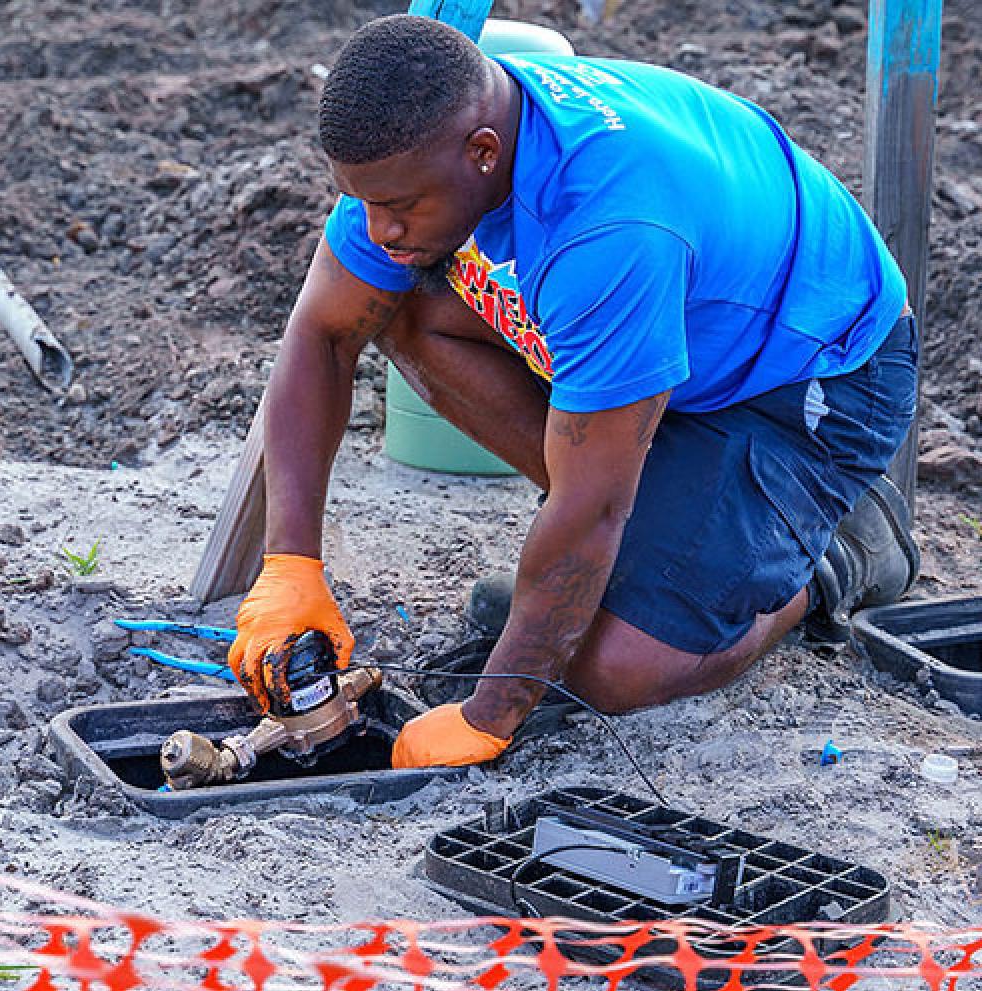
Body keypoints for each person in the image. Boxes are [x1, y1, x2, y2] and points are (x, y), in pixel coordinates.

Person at [227, 14, 920, 769]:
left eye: (396, 209)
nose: (379, 228)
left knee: (610, 668)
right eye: (361, 202)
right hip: (677, 341)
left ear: (483, 154)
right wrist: (289, 565)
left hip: (812, 377)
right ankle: (646, 551)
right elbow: (325, 334)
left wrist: (491, 713)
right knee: (401, 305)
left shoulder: (608, 226)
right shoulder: (416, 156)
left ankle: (834, 561)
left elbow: (594, 508)